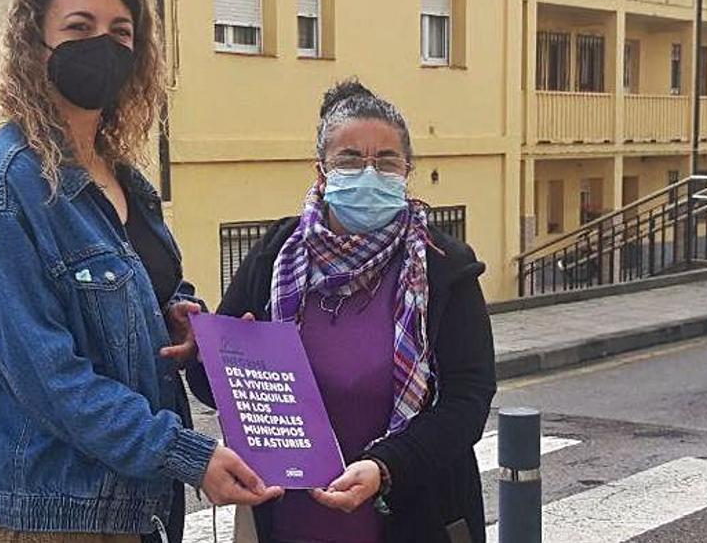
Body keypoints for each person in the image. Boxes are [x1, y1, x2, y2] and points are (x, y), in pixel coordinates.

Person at [0, 0, 280, 541]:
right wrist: (186, 453)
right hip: (60, 517)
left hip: (140, 506)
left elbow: (143, 287)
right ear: (34, 42)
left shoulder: (120, 172)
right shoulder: (4, 189)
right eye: (80, 26)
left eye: (121, 31)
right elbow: (47, 379)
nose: (104, 44)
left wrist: (176, 316)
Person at [187, 80, 498, 543]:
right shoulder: (275, 257)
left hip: (413, 517)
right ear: (321, 172)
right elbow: (212, 391)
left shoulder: (443, 268)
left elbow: (468, 400)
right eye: (350, 158)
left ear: (406, 171)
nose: (369, 173)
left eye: (387, 160)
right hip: (288, 520)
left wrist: (386, 465)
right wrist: (210, 352)